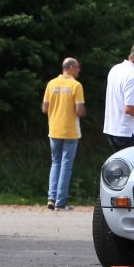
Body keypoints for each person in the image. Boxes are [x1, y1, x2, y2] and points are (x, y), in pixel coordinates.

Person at [41, 57, 85, 210]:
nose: (79, 70)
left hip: (54, 129)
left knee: (55, 163)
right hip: (70, 130)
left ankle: (51, 198)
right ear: (71, 67)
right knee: (66, 165)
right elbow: (79, 110)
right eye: (77, 67)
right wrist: (83, 112)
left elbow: (45, 108)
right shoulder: (76, 85)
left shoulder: (51, 83)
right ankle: (61, 202)